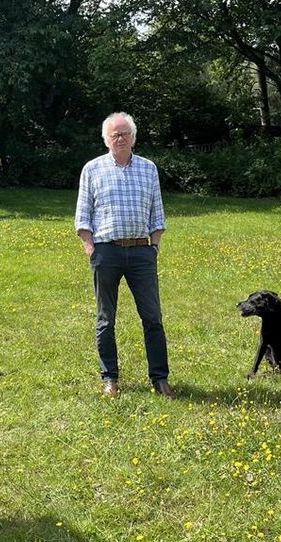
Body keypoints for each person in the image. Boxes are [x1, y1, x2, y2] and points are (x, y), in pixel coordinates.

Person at [75, 112, 173, 399]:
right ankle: (110, 378)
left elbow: (158, 213)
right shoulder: (92, 169)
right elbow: (83, 217)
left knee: (152, 317)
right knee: (106, 319)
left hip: (142, 251)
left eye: (124, 133)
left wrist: (153, 248)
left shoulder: (148, 168)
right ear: (106, 139)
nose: (120, 138)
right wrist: (91, 250)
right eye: (114, 134)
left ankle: (160, 378)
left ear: (133, 137)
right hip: (106, 252)